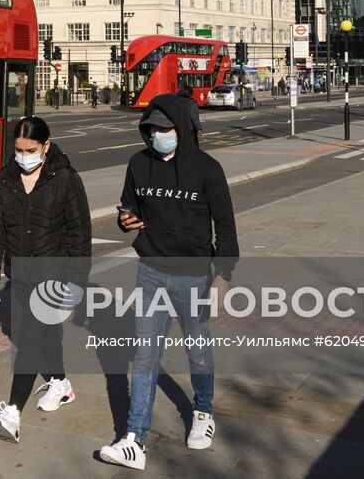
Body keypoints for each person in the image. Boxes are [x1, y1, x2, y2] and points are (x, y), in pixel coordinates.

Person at [98, 93, 238, 471]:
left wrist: (223, 275)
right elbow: (128, 207)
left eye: (163, 129)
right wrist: (126, 220)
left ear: (180, 130)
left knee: (197, 349)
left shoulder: (207, 169)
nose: (156, 135)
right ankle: (134, 439)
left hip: (193, 275)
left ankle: (204, 412)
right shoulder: (138, 164)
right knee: (146, 354)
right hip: (151, 272)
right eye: (150, 129)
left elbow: (225, 225)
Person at [0, 116, 91, 444]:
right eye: (18, 149)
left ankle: (12, 413)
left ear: (46, 146)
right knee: (42, 338)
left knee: (28, 339)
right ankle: (60, 384)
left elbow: (80, 234)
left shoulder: (66, 179)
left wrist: (77, 281)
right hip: (21, 275)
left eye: (31, 149)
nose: (24, 155)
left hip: (54, 276)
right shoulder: (5, 180)